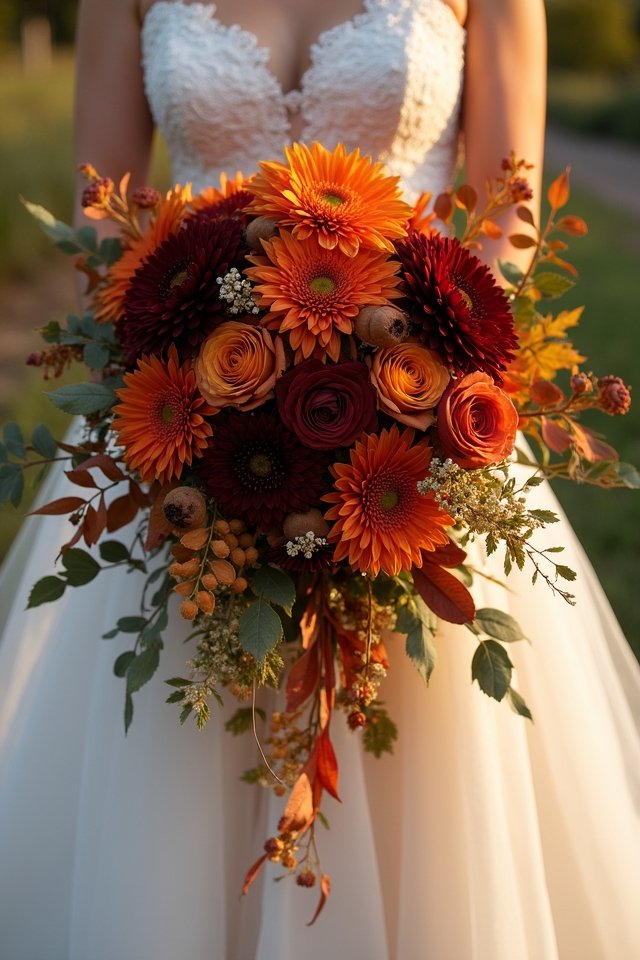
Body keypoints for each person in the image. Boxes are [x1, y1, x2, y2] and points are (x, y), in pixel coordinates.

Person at [1, 1, 639, 957]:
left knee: (433, 771)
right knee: (172, 768)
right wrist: (212, 402)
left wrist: (406, 405)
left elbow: (506, 224)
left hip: (421, 420)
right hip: (182, 422)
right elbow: (103, 227)